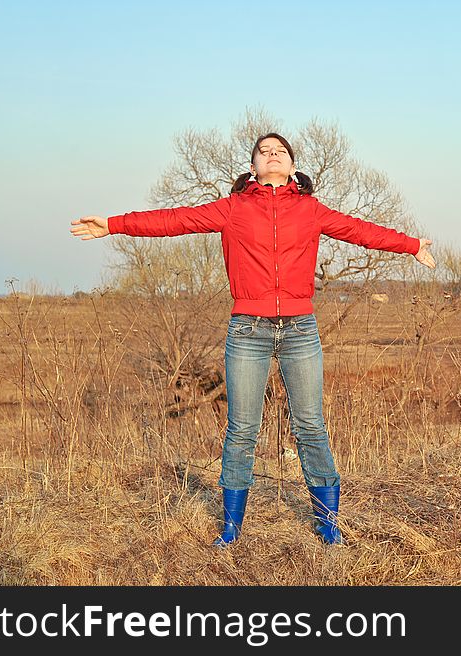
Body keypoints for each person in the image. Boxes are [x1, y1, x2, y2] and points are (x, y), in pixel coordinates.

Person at [71, 133, 436, 547]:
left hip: (300, 330)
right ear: (252, 168)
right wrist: (115, 225)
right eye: (264, 152)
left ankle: (328, 525)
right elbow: (175, 220)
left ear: (294, 167)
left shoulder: (311, 210)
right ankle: (231, 528)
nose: (272, 155)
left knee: (311, 426)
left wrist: (410, 245)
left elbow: (359, 230)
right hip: (248, 330)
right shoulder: (232, 209)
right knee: (242, 430)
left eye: (280, 151)